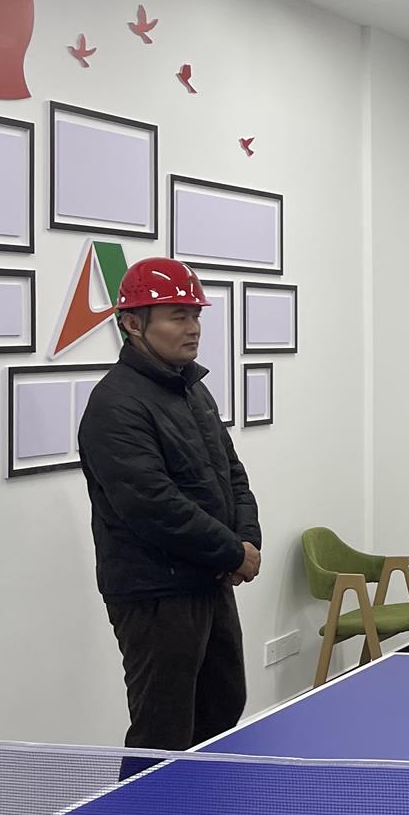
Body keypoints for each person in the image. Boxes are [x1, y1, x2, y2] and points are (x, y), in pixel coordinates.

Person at [77, 257, 263, 752]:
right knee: (162, 731)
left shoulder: (193, 390)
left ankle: (205, 804)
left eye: (195, 314)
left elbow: (232, 473)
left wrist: (247, 540)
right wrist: (233, 553)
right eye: (178, 316)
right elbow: (153, 505)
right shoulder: (115, 404)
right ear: (133, 324)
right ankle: (141, 807)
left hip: (208, 579)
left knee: (222, 710)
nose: (193, 327)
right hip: (155, 593)